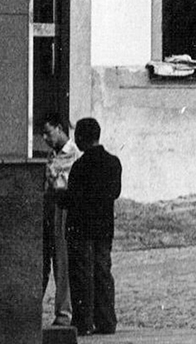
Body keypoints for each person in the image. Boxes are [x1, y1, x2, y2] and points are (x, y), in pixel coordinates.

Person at [63, 116, 121, 335]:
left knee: (82, 275)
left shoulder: (79, 166)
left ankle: (83, 321)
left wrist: (59, 196)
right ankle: (106, 320)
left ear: (81, 137)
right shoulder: (113, 163)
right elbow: (115, 192)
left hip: (81, 228)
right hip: (104, 227)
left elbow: (72, 198)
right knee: (103, 272)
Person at [37, 115, 78, 327]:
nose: (45, 138)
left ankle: (64, 312)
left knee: (62, 263)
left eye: (48, 132)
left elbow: (66, 184)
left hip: (63, 210)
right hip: (48, 210)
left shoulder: (73, 154)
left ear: (59, 128)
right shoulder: (52, 155)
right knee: (44, 262)